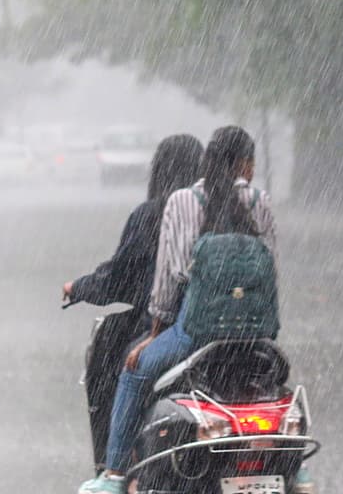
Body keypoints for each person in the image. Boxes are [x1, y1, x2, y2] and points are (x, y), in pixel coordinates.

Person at [78, 126, 278, 494]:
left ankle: (115, 473)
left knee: (133, 374)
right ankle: (297, 469)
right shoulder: (259, 200)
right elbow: (270, 268)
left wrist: (154, 334)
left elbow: (169, 278)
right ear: (245, 165)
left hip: (195, 329)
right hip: (254, 333)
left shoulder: (183, 201)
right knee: (274, 388)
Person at [63, 134, 204, 472]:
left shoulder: (153, 214)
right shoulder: (219, 212)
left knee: (119, 365)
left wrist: (79, 288)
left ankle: (116, 467)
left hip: (168, 326)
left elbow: (121, 280)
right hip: (220, 326)